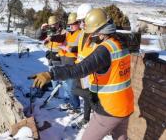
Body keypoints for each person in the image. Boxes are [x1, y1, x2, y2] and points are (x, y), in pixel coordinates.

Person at [30, 8, 134, 140]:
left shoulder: (105, 50)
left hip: (109, 108)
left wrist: (51, 74)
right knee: (120, 137)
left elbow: (80, 69)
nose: (92, 36)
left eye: (94, 33)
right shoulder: (121, 42)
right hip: (126, 103)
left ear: (101, 31)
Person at [51, 12, 82, 112]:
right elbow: (63, 43)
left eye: (73, 24)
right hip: (65, 61)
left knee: (71, 87)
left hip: (73, 62)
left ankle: (75, 106)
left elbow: (81, 48)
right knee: (65, 84)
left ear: (78, 23)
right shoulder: (68, 34)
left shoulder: (81, 34)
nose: (71, 26)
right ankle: (69, 102)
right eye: (70, 24)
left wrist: (71, 49)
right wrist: (59, 52)